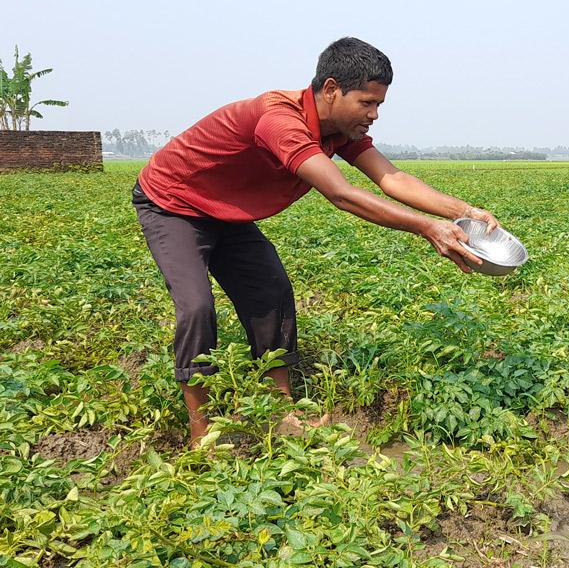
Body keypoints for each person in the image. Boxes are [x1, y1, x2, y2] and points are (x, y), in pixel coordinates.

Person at [133, 37, 499, 447]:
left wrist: (463, 212)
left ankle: (279, 410)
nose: (374, 114)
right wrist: (427, 228)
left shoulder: (341, 130)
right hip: (172, 202)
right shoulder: (279, 120)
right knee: (197, 306)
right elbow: (341, 194)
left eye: (379, 105)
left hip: (225, 211)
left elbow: (391, 178)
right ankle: (201, 434)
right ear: (330, 89)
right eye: (366, 103)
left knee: (270, 291)